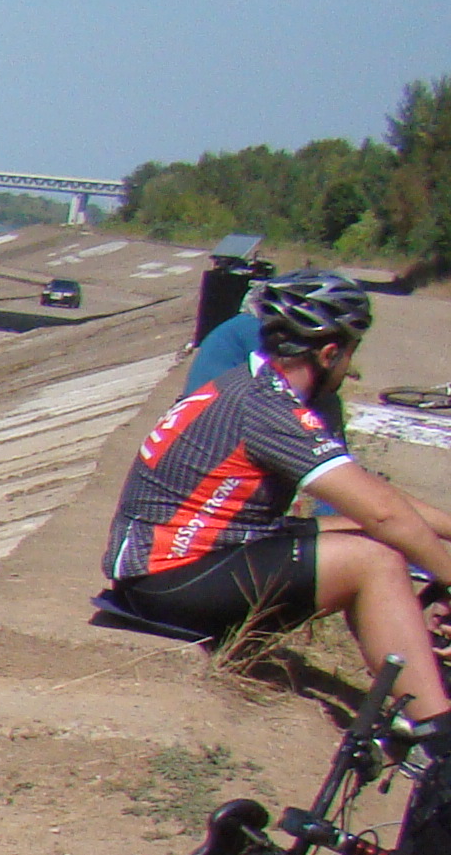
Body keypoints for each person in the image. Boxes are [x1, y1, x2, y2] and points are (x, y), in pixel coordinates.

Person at [103, 272, 451, 719]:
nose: (349, 368)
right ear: (329, 353)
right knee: (374, 559)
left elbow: (373, 500)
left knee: (363, 530)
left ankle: (412, 696)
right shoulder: (269, 410)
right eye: (351, 353)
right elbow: (386, 516)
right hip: (170, 581)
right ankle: (436, 731)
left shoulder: (250, 385)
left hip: (175, 564)